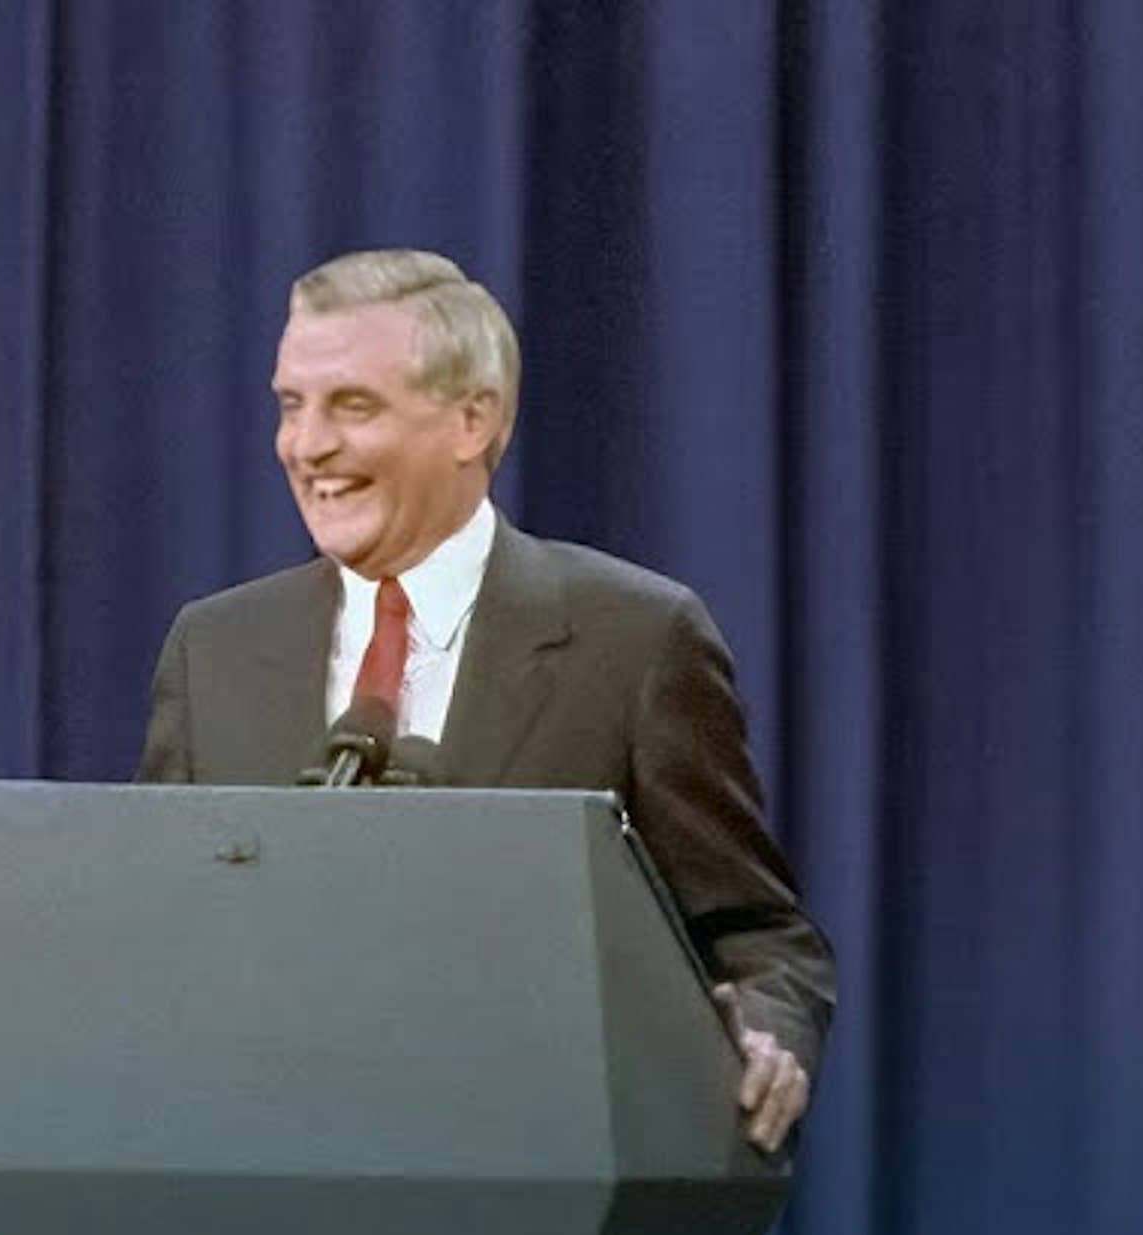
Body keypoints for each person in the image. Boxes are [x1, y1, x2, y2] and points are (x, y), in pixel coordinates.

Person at [137, 250, 834, 1153]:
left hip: (539, 1190)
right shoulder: (215, 650)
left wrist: (770, 1032)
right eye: (289, 405)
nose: (306, 446)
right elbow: (153, 928)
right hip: (256, 1199)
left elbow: (756, 932)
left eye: (353, 406)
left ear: (472, 421)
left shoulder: (635, 640)